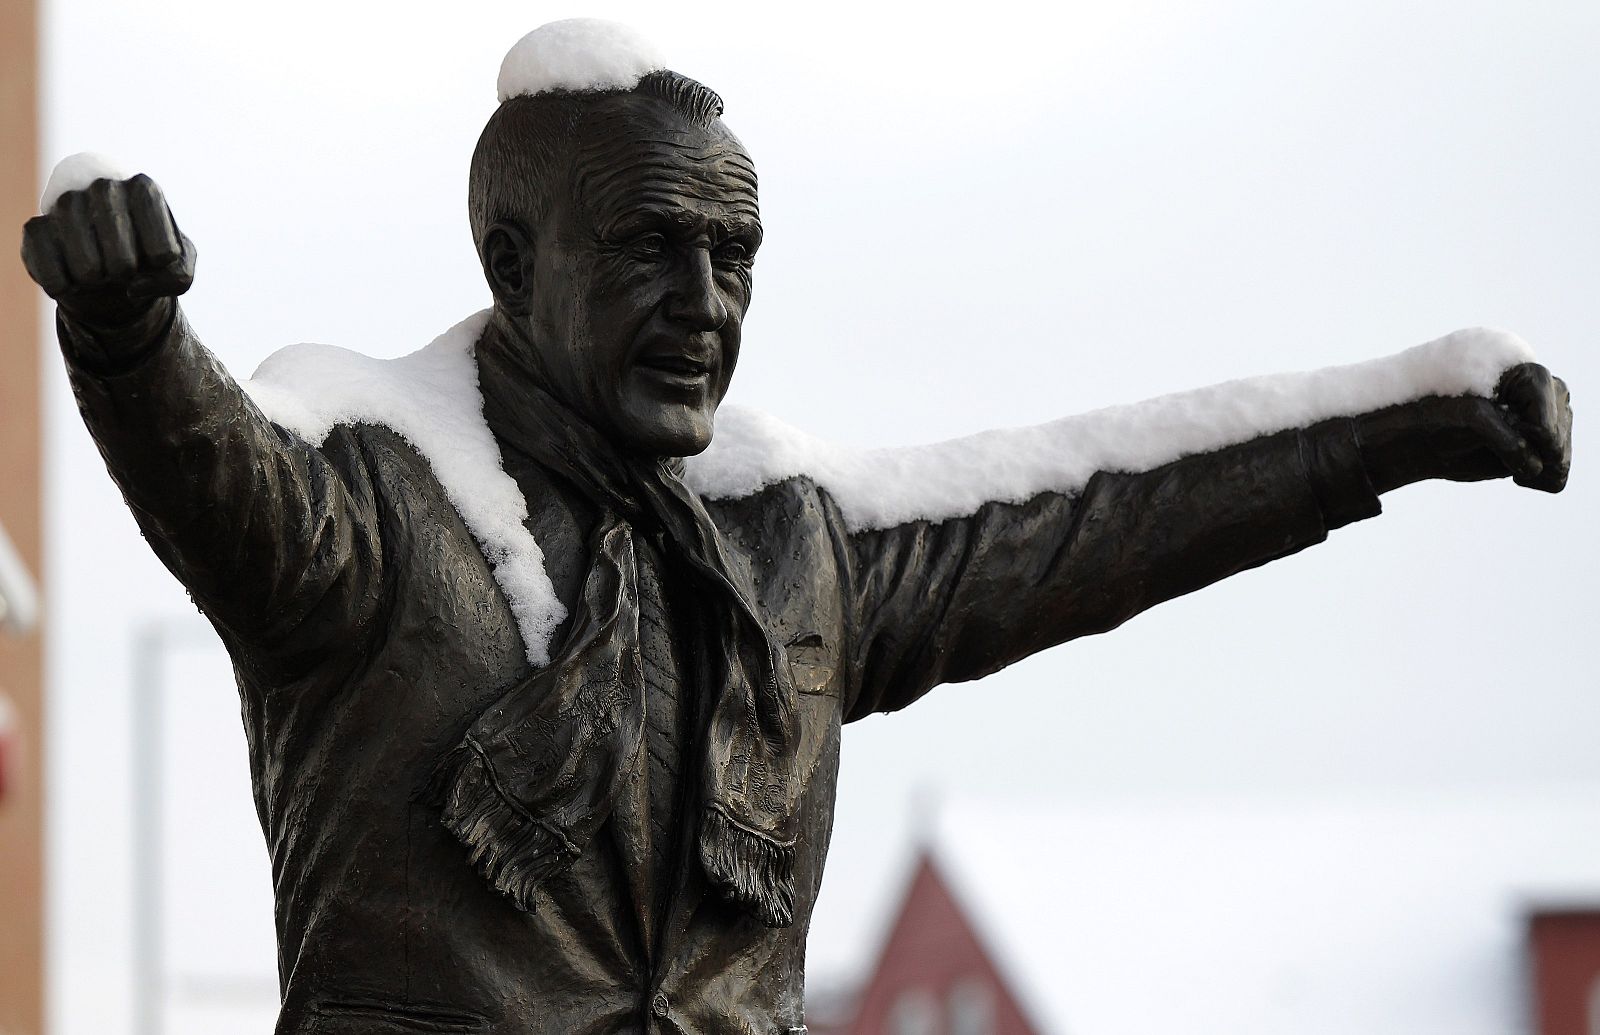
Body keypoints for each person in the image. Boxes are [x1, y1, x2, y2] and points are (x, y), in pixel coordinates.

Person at [19, 22, 1571, 1035]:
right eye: (653, 249)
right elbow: (206, 458)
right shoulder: (364, 511)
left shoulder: (787, 554)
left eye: (736, 258)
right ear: (510, 257)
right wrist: (126, 327)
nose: (706, 307)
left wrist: (1398, 424)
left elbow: (1099, 508)